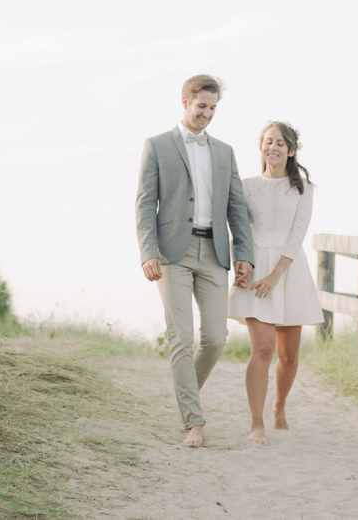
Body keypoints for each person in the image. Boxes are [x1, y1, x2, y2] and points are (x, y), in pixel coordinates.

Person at [135, 74, 254, 448]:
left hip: (215, 252)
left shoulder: (224, 151)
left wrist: (244, 256)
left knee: (216, 337)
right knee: (181, 338)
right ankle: (195, 422)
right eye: (201, 106)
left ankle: (186, 398)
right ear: (185, 101)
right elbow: (144, 203)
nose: (207, 114)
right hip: (172, 253)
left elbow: (237, 208)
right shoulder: (156, 146)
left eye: (213, 108)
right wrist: (147, 251)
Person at [228, 121, 324, 446]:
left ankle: (279, 406)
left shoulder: (303, 188)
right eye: (268, 142)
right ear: (261, 147)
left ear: (291, 149)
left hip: (288, 269)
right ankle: (257, 424)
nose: (273, 147)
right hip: (256, 268)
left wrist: (276, 275)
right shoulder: (245, 185)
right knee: (264, 350)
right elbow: (239, 228)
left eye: (280, 143)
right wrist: (242, 264)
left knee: (289, 356)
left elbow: (297, 236)